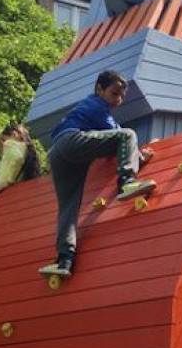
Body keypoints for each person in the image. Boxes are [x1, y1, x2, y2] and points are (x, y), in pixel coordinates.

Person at [39, 70, 155, 278]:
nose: (118, 100)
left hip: (57, 154)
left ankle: (64, 259)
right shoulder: (96, 105)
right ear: (99, 89)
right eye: (114, 93)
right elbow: (118, 134)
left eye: (121, 96)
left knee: (68, 206)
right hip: (71, 141)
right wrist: (140, 156)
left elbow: (107, 141)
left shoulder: (88, 107)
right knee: (128, 134)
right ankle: (127, 181)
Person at [0, 122, 41, 192]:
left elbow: (17, 158)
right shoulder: (27, 149)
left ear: (14, 134)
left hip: (13, 189)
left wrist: (6, 182)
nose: (2, 144)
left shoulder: (9, 144)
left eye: (3, 140)